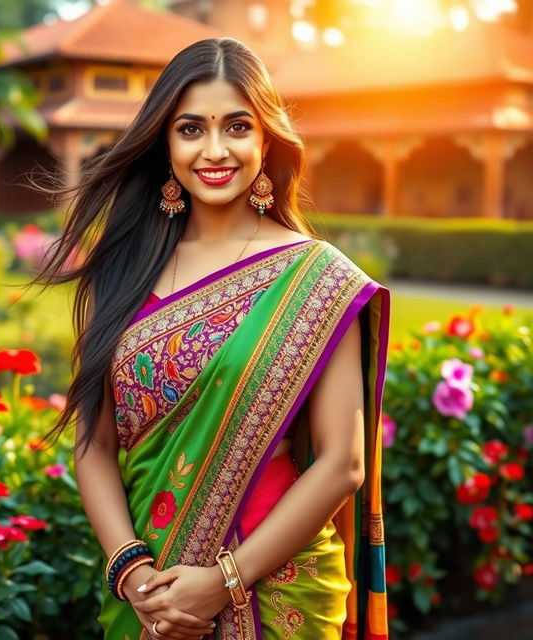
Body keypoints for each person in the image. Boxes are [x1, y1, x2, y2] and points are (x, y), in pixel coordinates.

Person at [34, 37, 390, 640]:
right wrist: (133, 572)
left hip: (279, 587)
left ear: (265, 139)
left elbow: (342, 463)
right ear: (165, 142)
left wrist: (224, 581)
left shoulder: (316, 278)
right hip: (149, 596)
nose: (215, 150)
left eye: (238, 126)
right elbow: (93, 446)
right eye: (192, 128)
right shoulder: (120, 271)